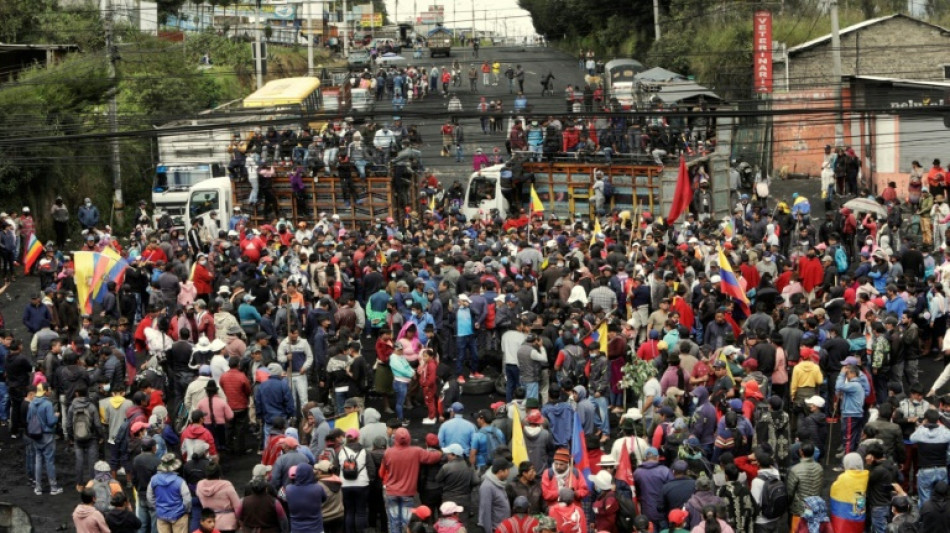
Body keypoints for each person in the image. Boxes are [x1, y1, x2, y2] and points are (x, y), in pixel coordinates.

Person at [148, 453, 191, 533]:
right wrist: (186, 510)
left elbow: (150, 497)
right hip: (179, 515)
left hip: (161, 514)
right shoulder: (180, 481)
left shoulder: (153, 480)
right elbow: (187, 500)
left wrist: (157, 507)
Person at [478, 458, 512, 533]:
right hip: (495, 529)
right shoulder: (487, 487)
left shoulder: (499, 482)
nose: (509, 472)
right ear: (500, 472)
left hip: (503, 528)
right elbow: (485, 513)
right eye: (508, 470)